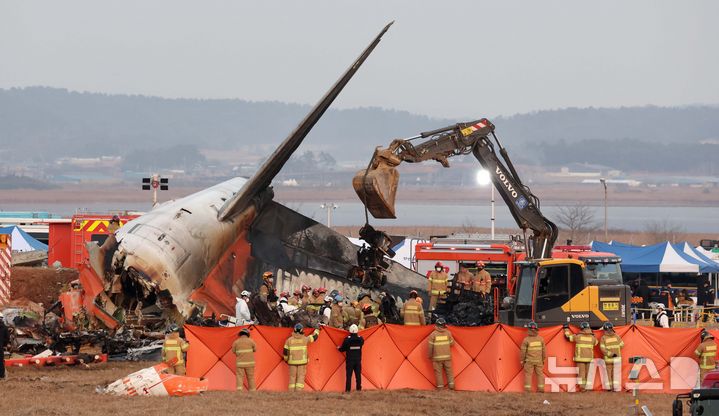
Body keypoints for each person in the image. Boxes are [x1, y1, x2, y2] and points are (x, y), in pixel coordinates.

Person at [283, 324, 320, 391]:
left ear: (294, 330)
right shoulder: (305, 339)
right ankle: (299, 391)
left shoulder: (289, 340)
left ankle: (291, 392)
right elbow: (314, 337)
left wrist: (286, 360)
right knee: (300, 376)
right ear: (302, 330)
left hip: (292, 362)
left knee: (292, 377)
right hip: (302, 362)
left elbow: (285, 352)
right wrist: (317, 330)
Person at [564, 322, 597, 391]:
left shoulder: (578, 336)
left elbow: (568, 338)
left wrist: (566, 329)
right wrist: (592, 333)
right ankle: (588, 387)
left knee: (581, 374)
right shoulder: (592, 337)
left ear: (581, 328)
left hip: (580, 358)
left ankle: (582, 387)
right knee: (589, 374)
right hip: (589, 359)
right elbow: (596, 343)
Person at [428, 318, 455, 390]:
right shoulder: (448, 333)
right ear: (444, 325)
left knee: (438, 373)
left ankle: (440, 388)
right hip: (447, 357)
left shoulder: (433, 334)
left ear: (436, 325)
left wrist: (430, 356)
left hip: (437, 358)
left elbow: (430, 347)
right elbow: (452, 343)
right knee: (449, 372)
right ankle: (451, 386)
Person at [520, 321, 546, 393]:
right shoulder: (541, 339)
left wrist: (522, 360)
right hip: (539, 361)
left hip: (529, 361)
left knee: (528, 375)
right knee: (540, 374)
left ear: (529, 329)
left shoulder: (526, 340)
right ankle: (541, 389)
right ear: (537, 329)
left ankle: (528, 390)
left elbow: (523, 352)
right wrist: (543, 359)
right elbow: (544, 351)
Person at [338, 324, 364, 392]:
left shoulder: (347, 340)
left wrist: (338, 348)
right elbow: (362, 343)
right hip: (358, 361)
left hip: (350, 361)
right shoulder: (361, 339)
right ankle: (359, 389)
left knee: (349, 376)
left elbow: (342, 349)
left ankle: (348, 390)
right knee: (358, 376)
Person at [599, 322, 624, 391]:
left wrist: (610, 354)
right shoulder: (617, 336)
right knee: (616, 374)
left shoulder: (603, 338)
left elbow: (602, 349)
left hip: (608, 359)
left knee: (608, 374)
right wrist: (616, 350)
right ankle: (616, 387)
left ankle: (609, 388)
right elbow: (622, 345)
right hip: (617, 359)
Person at [0, 312, 8, 380]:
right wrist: (4, 345)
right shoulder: (5, 327)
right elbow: (7, 338)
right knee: (1, 361)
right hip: (0, 347)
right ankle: (2, 376)